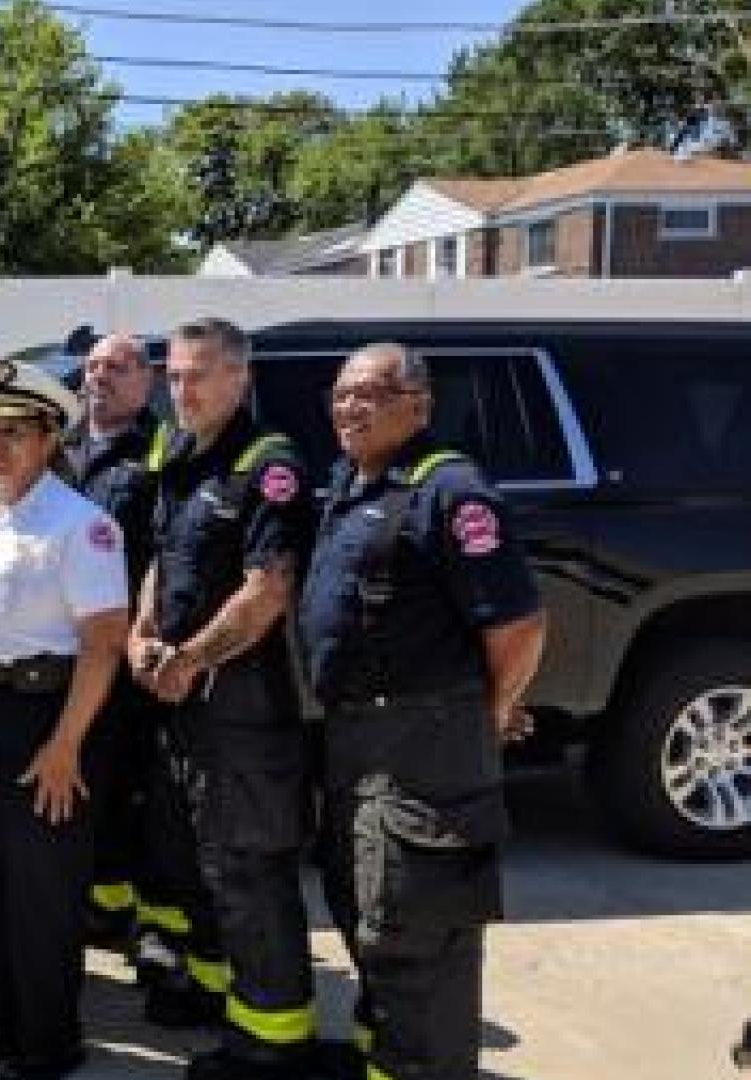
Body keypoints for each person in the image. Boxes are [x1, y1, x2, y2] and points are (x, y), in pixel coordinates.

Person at [297, 343, 546, 1080]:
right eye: (341, 393)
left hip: (424, 750)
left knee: (419, 937)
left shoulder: (453, 492)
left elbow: (519, 625)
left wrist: (487, 712)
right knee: (371, 922)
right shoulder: (355, 481)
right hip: (357, 741)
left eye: (371, 392)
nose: (351, 406)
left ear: (419, 403)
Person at [125, 317, 318, 1079]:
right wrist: (144, 632)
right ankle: (214, 995)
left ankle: (273, 1042)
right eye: (173, 375)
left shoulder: (267, 465)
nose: (183, 389)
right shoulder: (178, 453)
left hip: (244, 711)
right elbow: (163, 557)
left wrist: (190, 661)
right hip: (185, 707)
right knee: (200, 863)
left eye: (199, 374)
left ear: (240, 378)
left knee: (251, 873)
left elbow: (269, 588)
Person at [0, 358, 131, 1080]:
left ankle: (51, 1041)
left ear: (50, 436)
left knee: (43, 892)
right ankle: (4, 1018)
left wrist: (64, 747)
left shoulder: (82, 526)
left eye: (13, 431)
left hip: (48, 716)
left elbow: (104, 644)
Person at [59, 333, 173, 960]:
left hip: (128, 650)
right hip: (64, 649)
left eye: (119, 367)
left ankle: (140, 926)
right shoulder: (65, 446)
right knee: (82, 780)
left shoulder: (161, 451)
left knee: (131, 788)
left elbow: (165, 551)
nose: (100, 376)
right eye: (94, 366)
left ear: (147, 380)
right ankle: (98, 907)